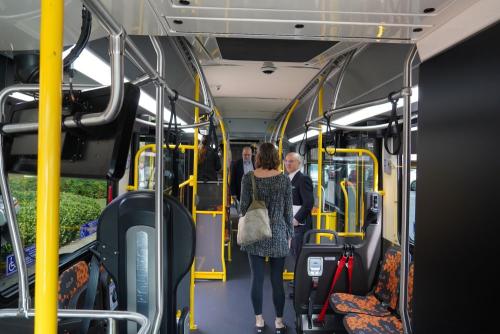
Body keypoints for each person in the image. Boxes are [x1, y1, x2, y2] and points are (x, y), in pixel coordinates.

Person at [240, 143, 293, 334]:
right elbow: (288, 211)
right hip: (278, 233)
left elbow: (243, 209)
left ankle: (259, 321)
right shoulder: (284, 179)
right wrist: (290, 236)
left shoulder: (248, 178)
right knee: (277, 281)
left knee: (257, 279)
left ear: (259, 157)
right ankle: (279, 322)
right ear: (277, 158)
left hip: (255, 233)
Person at [284, 152, 314, 297]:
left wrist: (296, 219)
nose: (288, 164)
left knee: (300, 256)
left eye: (291, 161)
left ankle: (300, 290)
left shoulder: (303, 179)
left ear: (299, 163)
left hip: (300, 225)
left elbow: (308, 203)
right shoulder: (288, 179)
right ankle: (298, 282)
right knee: (295, 254)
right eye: (286, 161)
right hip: (291, 224)